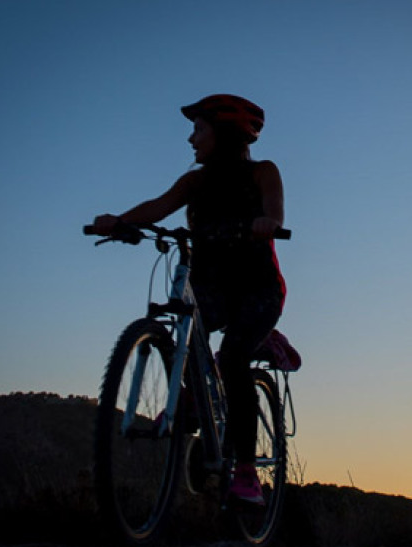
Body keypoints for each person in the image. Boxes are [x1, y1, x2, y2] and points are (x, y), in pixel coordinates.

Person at [89, 94, 286, 505]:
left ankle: (247, 471)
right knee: (186, 322)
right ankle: (194, 399)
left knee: (232, 359)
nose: (191, 139)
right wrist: (121, 221)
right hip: (211, 286)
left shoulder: (263, 172)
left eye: (199, 129)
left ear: (227, 132)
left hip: (258, 290)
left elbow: (274, 210)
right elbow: (158, 207)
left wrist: (267, 223)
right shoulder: (193, 182)